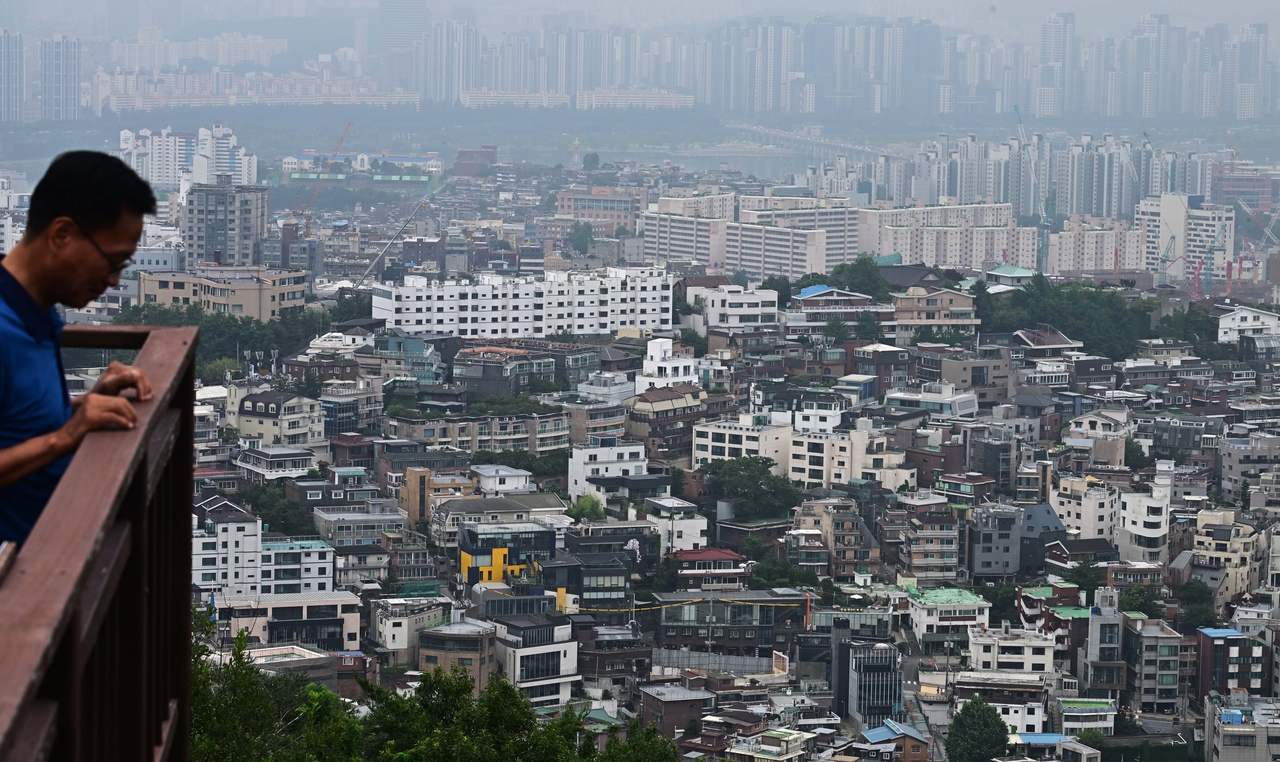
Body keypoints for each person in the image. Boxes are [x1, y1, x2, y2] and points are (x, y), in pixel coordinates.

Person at [0, 151, 158, 544]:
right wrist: (66, 436)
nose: (115, 280)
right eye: (112, 261)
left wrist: (86, 404)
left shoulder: (34, 310)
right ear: (61, 235)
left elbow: (14, 422)